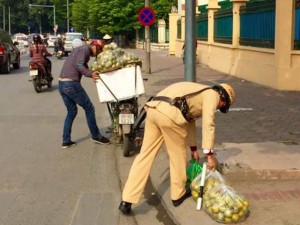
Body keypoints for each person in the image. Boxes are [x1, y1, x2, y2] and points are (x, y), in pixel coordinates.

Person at [118, 82, 235, 214]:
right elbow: (209, 124)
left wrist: (194, 149)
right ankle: (178, 195)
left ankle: (126, 200)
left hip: (153, 109)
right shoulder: (212, 95)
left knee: (145, 155)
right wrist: (209, 156)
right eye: (223, 106)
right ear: (223, 99)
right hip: (170, 114)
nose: (219, 108)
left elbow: (190, 121)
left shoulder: (198, 92)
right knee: (178, 156)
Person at [58, 39, 111, 148]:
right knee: (89, 107)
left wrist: (91, 72)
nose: (98, 54)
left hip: (62, 84)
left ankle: (66, 140)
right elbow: (79, 65)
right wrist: (91, 74)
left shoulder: (79, 49)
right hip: (71, 84)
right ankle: (95, 135)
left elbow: (82, 66)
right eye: (99, 51)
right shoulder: (85, 49)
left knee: (71, 111)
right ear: (94, 47)